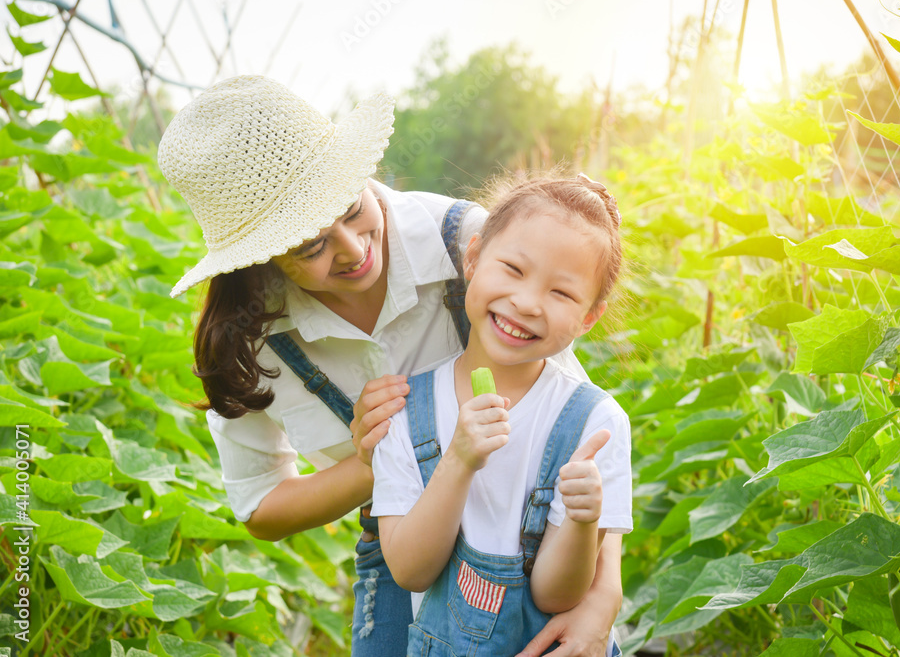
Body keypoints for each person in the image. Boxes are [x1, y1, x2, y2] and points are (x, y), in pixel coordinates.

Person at [158, 75, 625, 656]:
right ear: (261, 258)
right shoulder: (253, 339)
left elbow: (576, 435)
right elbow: (259, 507)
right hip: (403, 540)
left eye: (353, 209)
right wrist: (374, 462)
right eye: (310, 245)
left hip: (536, 533)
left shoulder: (473, 244)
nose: (353, 249)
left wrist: (603, 596)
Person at [372, 176, 632, 656]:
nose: (528, 302)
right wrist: (459, 460)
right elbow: (410, 570)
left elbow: (556, 594)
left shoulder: (596, 423)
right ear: (472, 259)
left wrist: (583, 518)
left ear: (589, 318)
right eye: (513, 268)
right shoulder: (407, 410)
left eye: (562, 293)